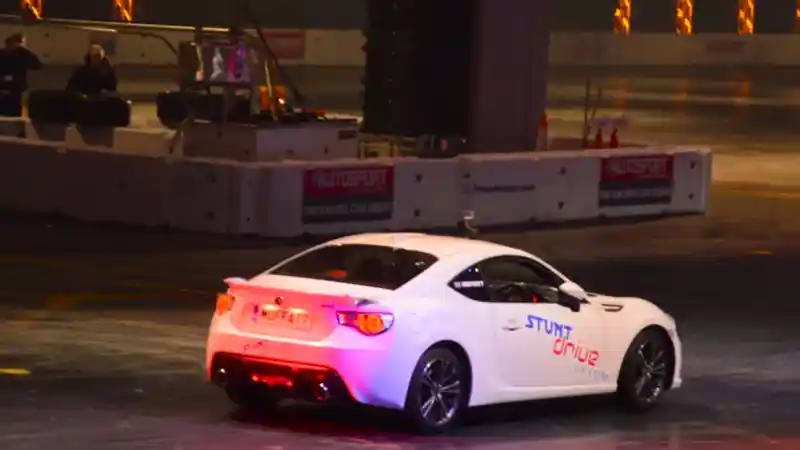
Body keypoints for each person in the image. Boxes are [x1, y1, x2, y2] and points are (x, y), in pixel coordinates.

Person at [0, 32, 42, 116]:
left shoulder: (23, 55)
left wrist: (25, 51)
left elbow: (37, 65)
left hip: (17, 88)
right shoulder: (2, 54)